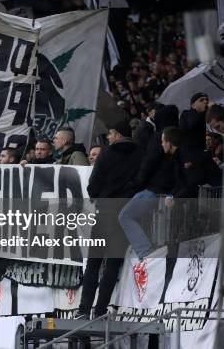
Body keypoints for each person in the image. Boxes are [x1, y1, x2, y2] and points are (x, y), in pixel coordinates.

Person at [76, 120, 143, 320]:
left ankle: (83, 310)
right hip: (126, 213)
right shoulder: (140, 155)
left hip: (103, 212)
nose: (109, 137)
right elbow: (142, 181)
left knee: (94, 263)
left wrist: (97, 195)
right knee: (113, 264)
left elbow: (93, 185)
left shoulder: (107, 154)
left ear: (119, 134)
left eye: (111, 133)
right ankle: (100, 311)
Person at [118, 127, 187, 259]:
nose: (161, 144)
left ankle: (145, 252)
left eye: (163, 141)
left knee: (125, 216)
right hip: (155, 191)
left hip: (154, 191)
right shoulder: (177, 155)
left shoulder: (175, 156)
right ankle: (145, 250)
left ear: (169, 141)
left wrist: (171, 194)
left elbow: (149, 166)